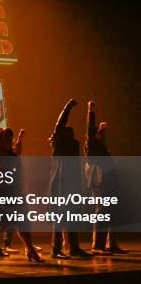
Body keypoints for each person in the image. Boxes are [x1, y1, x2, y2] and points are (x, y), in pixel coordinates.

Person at [0, 103, 43, 265]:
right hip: (0, 191)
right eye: (6, 137)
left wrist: (20, 138)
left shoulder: (12, 153)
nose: (8, 139)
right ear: (1, 139)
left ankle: (30, 250)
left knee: (22, 222)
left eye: (10, 137)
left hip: (15, 192)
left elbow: (18, 150)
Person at [48, 99, 92, 259]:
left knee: (71, 215)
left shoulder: (72, 145)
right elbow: (60, 124)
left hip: (71, 184)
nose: (72, 135)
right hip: (60, 185)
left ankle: (74, 248)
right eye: (68, 132)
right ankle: (55, 249)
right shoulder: (59, 144)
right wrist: (67, 107)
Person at [85, 101, 127, 255]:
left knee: (111, 211)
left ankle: (111, 243)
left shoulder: (101, 147)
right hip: (99, 183)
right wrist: (91, 111)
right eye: (100, 133)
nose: (103, 135)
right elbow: (90, 130)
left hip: (107, 181)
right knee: (102, 211)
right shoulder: (91, 146)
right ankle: (97, 246)